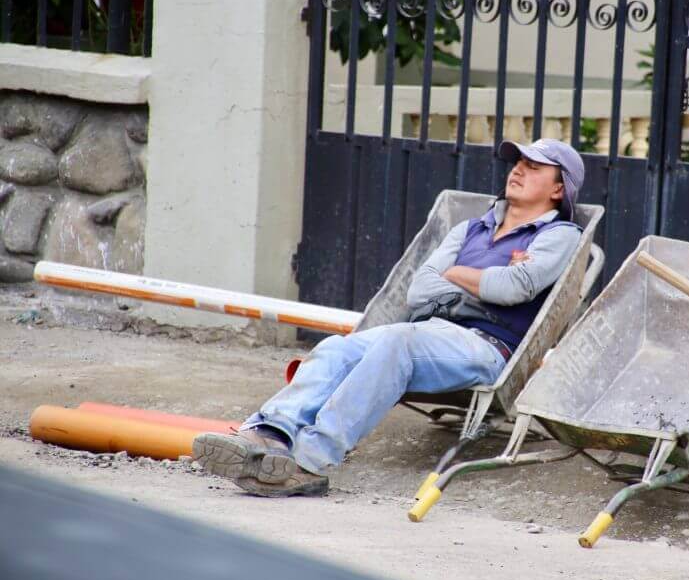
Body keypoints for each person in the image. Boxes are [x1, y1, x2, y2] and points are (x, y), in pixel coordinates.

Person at [193, 139, 586, 497]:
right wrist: (483, 284)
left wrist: (454, 275)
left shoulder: (560, 235)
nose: (518, 169)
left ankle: (308, 461)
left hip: (487, 346)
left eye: (534, 166)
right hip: (429, 331)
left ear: (558, 189)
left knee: (398, 342)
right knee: (337, 347)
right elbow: (420, 291)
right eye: (518, 162)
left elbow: (514, 288)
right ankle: (269, 433)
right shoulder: (470, 228)